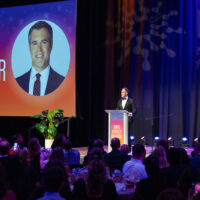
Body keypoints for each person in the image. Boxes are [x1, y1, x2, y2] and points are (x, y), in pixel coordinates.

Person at [16, 21, 65, 96]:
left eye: (44, 42)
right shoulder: (18, 82)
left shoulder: (62, 83)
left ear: (51, 45)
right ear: (29, 48)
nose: (39, 49)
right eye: (35, 43)